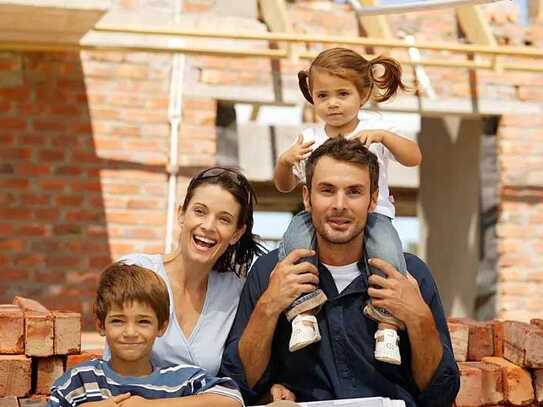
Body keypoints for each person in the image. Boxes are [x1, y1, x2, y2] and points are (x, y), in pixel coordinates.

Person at [220, 137, 459, 406]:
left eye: (354, 192)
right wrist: (268, 306)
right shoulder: (271, 273)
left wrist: (418, 319)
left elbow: (441, 395)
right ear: (307, 198)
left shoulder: (410, 275)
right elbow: (238, 386)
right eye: (327, 190)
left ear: (372, 201)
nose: (340, 205)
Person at [273, 47, 422, 363]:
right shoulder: (310, 137)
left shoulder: (374, 125)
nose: (333, 103)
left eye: (343, 93)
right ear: (312, 97)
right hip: (317, 217)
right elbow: (284, 185)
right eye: (323, 95)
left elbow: (414, 157)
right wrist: (285, 162)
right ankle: (303, 313)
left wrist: (382, 136)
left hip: (375, 214)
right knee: (293, 244)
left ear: (363, 93)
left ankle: (387, 326)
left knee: (388, 256)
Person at [104, 167, 265, 376]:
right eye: (200, 211)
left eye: (224, 219)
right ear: (182, 214)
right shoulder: (136, 271)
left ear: (236, 233)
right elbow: (114, 370)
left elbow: (239, 374)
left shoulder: (235, 291)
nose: (208, 226)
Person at [47, 262, 244, 407]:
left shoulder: (180, 381)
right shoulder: (81, 380)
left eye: (143, 322)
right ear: (101, 325)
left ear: (161, 327)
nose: (130, 332)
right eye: (118, 321)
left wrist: (148, 406)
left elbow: (233, 399)